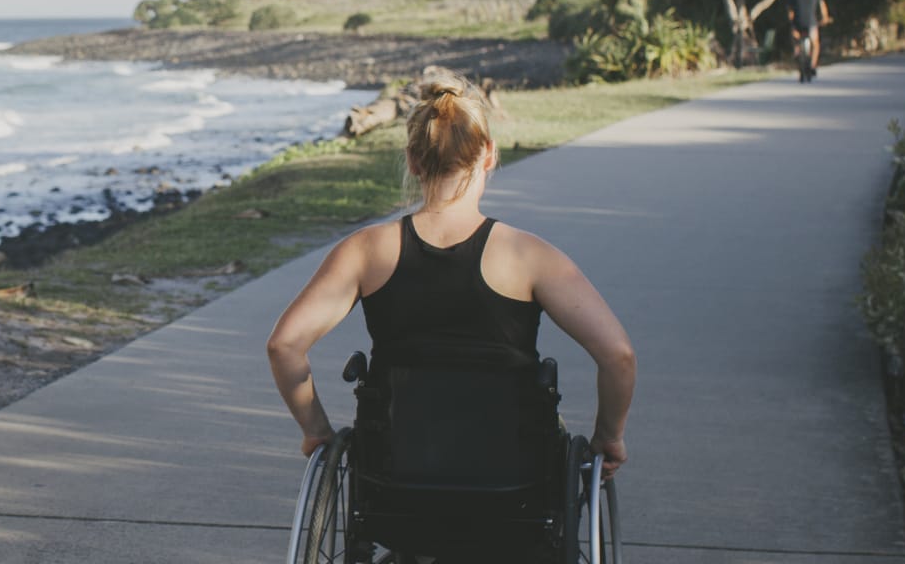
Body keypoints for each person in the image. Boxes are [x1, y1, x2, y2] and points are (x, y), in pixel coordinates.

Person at [266, 74, 636, 481]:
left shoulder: (364, 251)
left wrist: (315, 432)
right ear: (490, 155)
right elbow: (618, 355)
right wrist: (608, 437)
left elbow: (285, 346)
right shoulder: (530, 256)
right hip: (514, 479)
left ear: (412, 159)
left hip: (393, 478)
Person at [788, 0, 831, 81]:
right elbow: (823, 8)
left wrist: (792, 25)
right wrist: (825, 19)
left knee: (796, 44)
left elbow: (790, 12)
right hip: (811, 23)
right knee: (815, 45)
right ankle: (812, 65)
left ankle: (797, 54)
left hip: (797, 24)